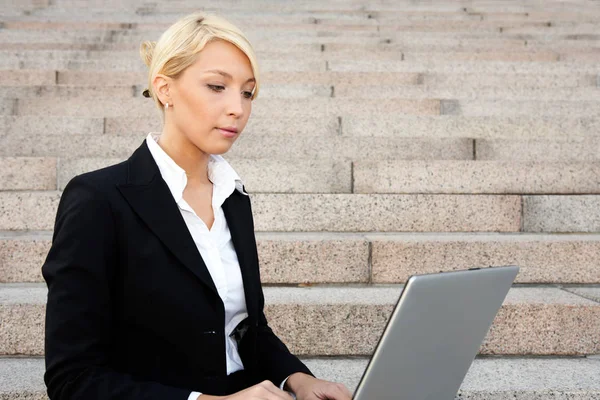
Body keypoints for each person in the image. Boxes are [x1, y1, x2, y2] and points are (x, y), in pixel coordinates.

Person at [42, 11, 353, 400]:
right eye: (217, 86)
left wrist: (299, 379)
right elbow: (72, 379)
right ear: (164, 89)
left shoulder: (232, 196)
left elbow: (244, 329)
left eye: (247, 92)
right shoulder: (97, 200)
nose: (238, 108)